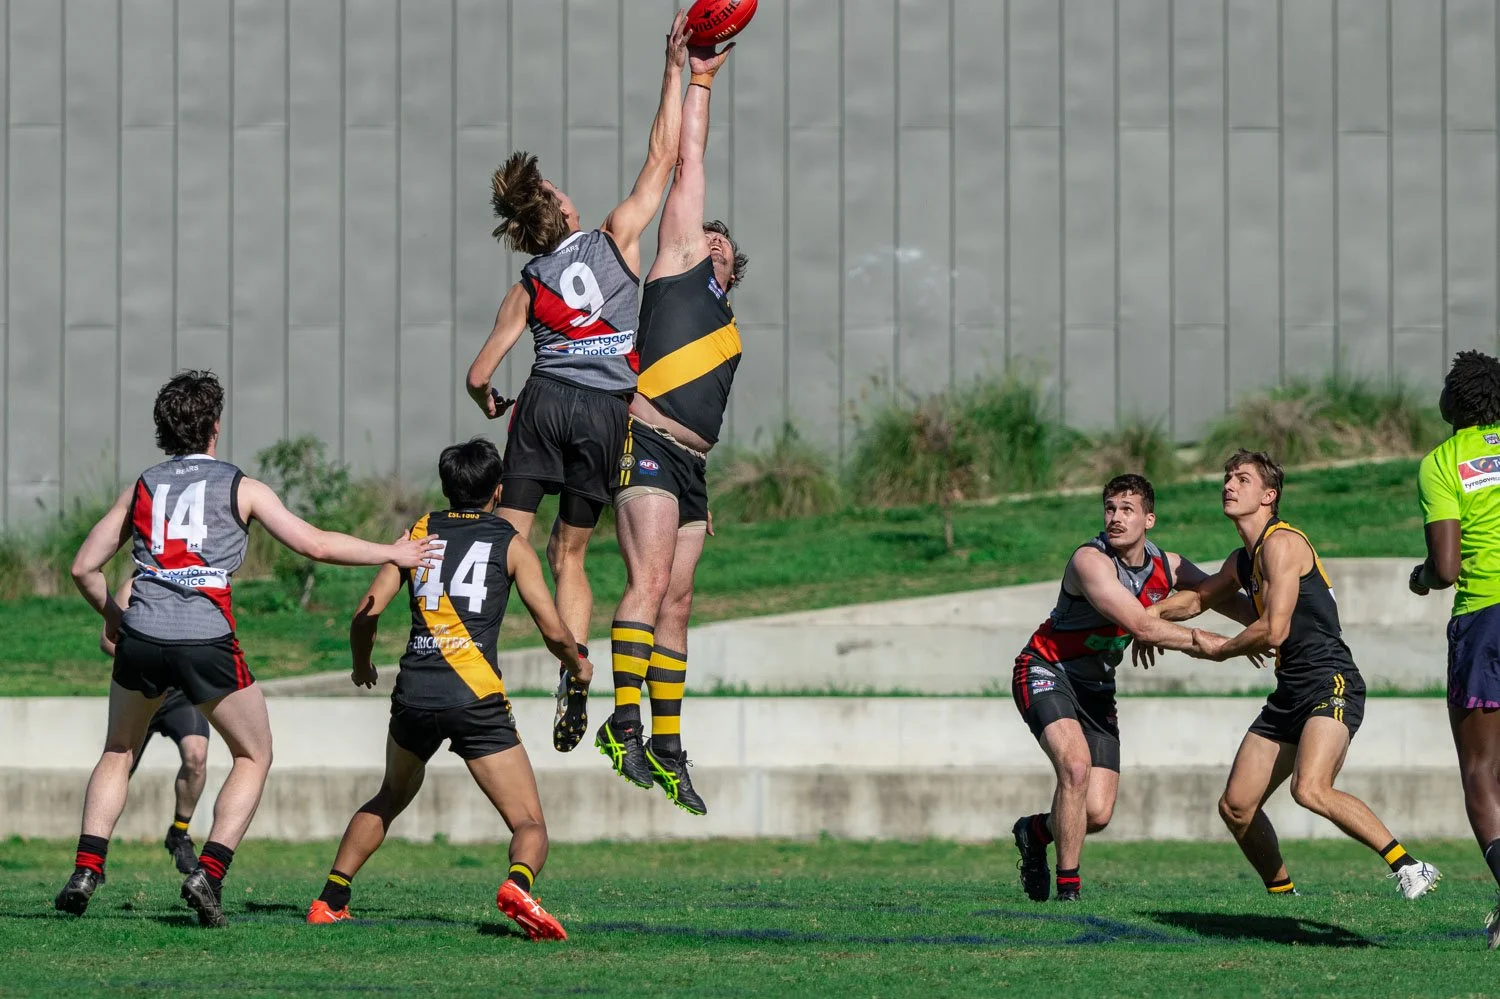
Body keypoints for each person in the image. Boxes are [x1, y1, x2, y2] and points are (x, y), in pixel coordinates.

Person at [55, 370, 437, 927]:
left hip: (144, 634)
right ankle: (207, 873)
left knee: (118, 749)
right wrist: (392, 552)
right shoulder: (242, 487)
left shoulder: (142, 485)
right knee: (254, 754)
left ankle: (86, 869)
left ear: (163, 431)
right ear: (214, 427)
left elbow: (82, 567)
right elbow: (318, 545)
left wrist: (118, 621)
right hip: (205, 635)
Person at [465, 11, 691, 755]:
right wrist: (675, 71)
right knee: (571, 554)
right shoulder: (613, 236)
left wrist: (492, 401)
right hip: (601, 408)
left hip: (540, 403)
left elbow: (478, 374)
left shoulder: (528, 283)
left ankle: (478, 660)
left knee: (506, 542)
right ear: (562, 209)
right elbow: (664, 155)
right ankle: (575, 667)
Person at [306, 438, 586, 941]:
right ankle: (518, 887)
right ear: (498, 491)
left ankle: (330, 900)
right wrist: (578, 665)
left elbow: (365, 612)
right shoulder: (510, 542)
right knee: (529, 824)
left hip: (413, 695)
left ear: (446, 488)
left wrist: (361, 664)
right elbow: (552, 629)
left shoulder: (416, 535)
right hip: (474, 699)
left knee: (389, 795)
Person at [1154, 448, 1441, 900]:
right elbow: (1196, 599)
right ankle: (1282, 897)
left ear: (1269, 496)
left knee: (1310, 788)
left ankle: (1410, 866)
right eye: (1227, 477)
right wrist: (1140, 619)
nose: (1229, 485)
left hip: (1331, 680)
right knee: (1236, 807)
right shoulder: (1242, 559)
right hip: (1290, 688)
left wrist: (1222, 650)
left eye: (1242, 479)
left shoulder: (1283, 544)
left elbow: (1274, 628)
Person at [592, 36, 740, 817]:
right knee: (646, 584)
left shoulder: (726, 312)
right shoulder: (678, 259)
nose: (710, 233)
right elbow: (690, 161)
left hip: (691, 467)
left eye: (721, 239)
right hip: (645, 443)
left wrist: (704, 492)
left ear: (732, 261)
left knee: (678, 604)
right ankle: (622, 723)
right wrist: (700, 78)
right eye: (705, 230)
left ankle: (670, 747)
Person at [1010, 474, 1246, 901]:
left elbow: (1218, 595)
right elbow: (1139, 624)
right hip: (1047, 669)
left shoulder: (1168, 565)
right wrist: (1214, 645)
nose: (1115, 518)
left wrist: (1269, 628)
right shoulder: (1090, 561)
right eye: (1110, 508)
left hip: (1096, 689)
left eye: (1127, 510)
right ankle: (1069, 894)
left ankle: (1034, 830)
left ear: (1148, 519)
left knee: (1096, 813)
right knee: (1075, 769)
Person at [1410, 349, 1500, 946]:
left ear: (1457, 400)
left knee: (1482, 771)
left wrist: (1419, 578)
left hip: (1484, 622)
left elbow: (1444, 569)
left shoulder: (1443, 462)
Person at [97, 578, 210, 875]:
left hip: (180, 695)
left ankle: (180, 833)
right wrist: (147, 659)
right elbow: (108, 640)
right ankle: (97, 848)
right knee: (120, 766)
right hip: (142, 687)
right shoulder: (134, 584)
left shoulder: (200, 578)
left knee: (196, 757)